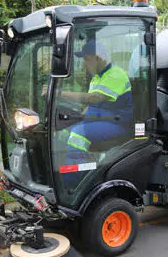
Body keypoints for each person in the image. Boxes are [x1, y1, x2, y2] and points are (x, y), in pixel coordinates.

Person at [56, 40, 133, 182]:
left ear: (98, 58)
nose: (84, 64)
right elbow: (94, 104)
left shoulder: (115, 74)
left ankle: (75, 182)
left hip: (117, 123)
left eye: (86, 59)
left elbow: (95, 98)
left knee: (78, 135)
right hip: (102, 120)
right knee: (62, 131)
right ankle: (61, 172)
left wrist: (60, 94)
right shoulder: (97, 78)